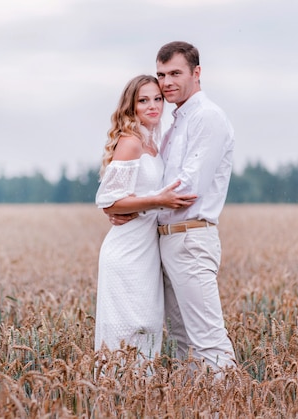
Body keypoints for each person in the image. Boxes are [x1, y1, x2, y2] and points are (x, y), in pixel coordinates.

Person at [109, 42, 237, 371]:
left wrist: (132, 206)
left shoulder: (207, 118)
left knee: (206, 338)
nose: (166, 82)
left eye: (175, 73)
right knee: (183, 340)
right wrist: (127, 204)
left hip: (190, 238)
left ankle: (231, 403)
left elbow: (188, 188)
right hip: (167, 239)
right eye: (162, 74)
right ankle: (197, 404)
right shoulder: (176, 123)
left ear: (197, 73)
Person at [94, 74, 196, 363]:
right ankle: (114, 399)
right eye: (143, 100)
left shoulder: (155, 144)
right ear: (131, 106)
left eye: (157, 99)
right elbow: (108, 199)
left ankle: (142, 396)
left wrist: (140, 207)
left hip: (149, 249)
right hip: (127, 249)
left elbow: (124, 201)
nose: (152, 106)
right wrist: (157, 201)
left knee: (148, 326)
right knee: (125, 328)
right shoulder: (131, 142)